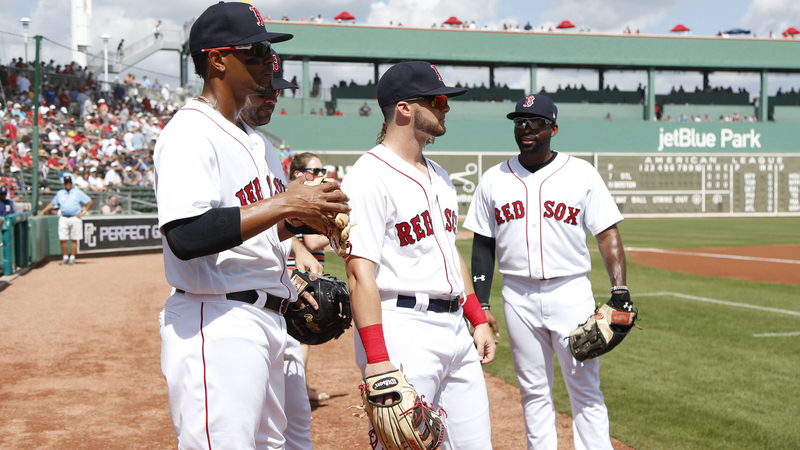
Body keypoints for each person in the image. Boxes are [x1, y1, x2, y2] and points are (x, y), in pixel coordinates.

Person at [154, 4, 348, 449]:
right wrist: (284, 202)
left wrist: (299, 218)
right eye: (257, 49)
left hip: (268, 316)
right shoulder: (189, 132)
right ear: (218, 59)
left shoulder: (257, 142)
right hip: (217, 318)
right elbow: (185, 235)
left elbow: (252, 228)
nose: (269, 60)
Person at [342, 61, 496, 450]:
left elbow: (449, 251)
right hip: (402, 329)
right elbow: (360, 272)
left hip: (455, 330)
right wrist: (377, 358)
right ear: (405, 108)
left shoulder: (440, 175)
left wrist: (477, 318)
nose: (446, 108)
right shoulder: (367, 175)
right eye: (438, 100)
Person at [463, 94, 627, 450]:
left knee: (584, 387)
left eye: (535, 122)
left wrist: (620, 291)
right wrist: (482, 304)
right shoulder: (494, 179)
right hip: (517, 294)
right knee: (533, 391)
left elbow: (607, 233)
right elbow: (482, 244)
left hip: (570, 292)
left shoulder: (581, 173)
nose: (526, 129)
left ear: (553, 129)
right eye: (520, 122)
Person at [238, 48, 321, 450]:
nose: (273, 97)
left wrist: (304, 231)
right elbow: (189, 234)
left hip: (275, 311)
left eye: (278, 91)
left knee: (293, 435)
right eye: (264, 91)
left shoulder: (265, 148)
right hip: (229, 310)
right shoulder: (201, 137)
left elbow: (271, 225)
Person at [37, 175, 94, 265]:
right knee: (63, 238)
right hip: (64, 217)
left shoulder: (77, 192)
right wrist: (43, 212)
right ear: (64, 183)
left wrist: (84, 211)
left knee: (74, 239)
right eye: (67, 182)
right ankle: (65, 257)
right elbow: (52, 204)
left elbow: (90, 201)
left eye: (70, 182)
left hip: (75, 217)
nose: (68, 184)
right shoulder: (60, 193)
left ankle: (72, 257)